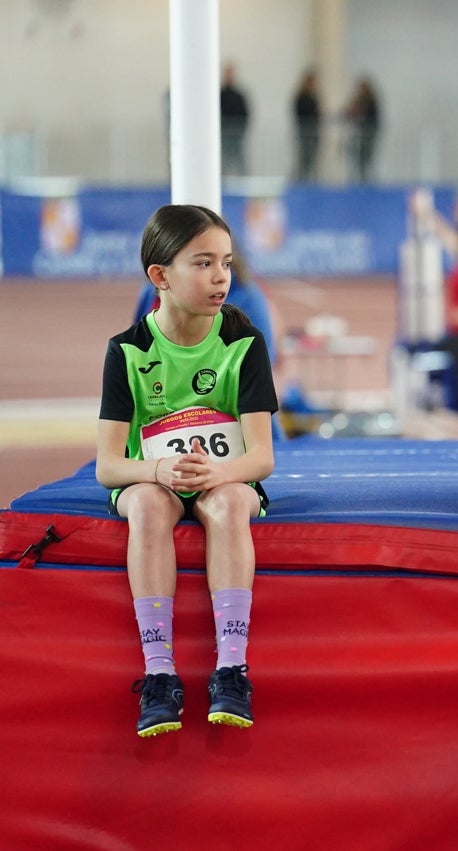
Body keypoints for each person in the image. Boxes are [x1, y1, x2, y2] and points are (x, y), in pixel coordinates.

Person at [97, 204, 278, 737]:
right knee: (150, 504)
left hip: (224, 478)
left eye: (225, 261)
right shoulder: (127, 352)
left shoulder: (243, 343)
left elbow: (262, 458)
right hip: (153, 479)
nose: (220, 276)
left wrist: (216, 474)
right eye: (202, 263)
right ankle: (159, 675)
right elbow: (109, 466)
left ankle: (231, 669)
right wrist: (159, 470)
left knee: (226, 505)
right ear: (160, 276)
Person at [132, 248, 287, 442]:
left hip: (238, 428)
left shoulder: (247, 296)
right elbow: (139, 355)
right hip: (166, 426)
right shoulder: (151, 293)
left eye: (222, 263)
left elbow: (260, 369)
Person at [343, 76, 381, 183]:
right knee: (357, 157)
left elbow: (360, 114)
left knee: (365, 159)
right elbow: (352, 112)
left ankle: (365, 178)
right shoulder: (361, 99)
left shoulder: (370, 100)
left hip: (367, 134)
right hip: (361, 134)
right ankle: (359, 177)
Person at [219, 63, 250, 177]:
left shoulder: (238, 95)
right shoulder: (220, 94)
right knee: (224, 159)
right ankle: (222, 179)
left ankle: (244, 179)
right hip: (224, 133)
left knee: (239, 159)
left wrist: (241, 129)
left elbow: (245, 113)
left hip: (237, 134)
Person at [293, 68, 322, 182]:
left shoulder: (313, 96)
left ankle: (308, 179)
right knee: (304, 159)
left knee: (311, 159)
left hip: (313, 133)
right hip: (305, 132)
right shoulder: (302, 97)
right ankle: (300, 180)